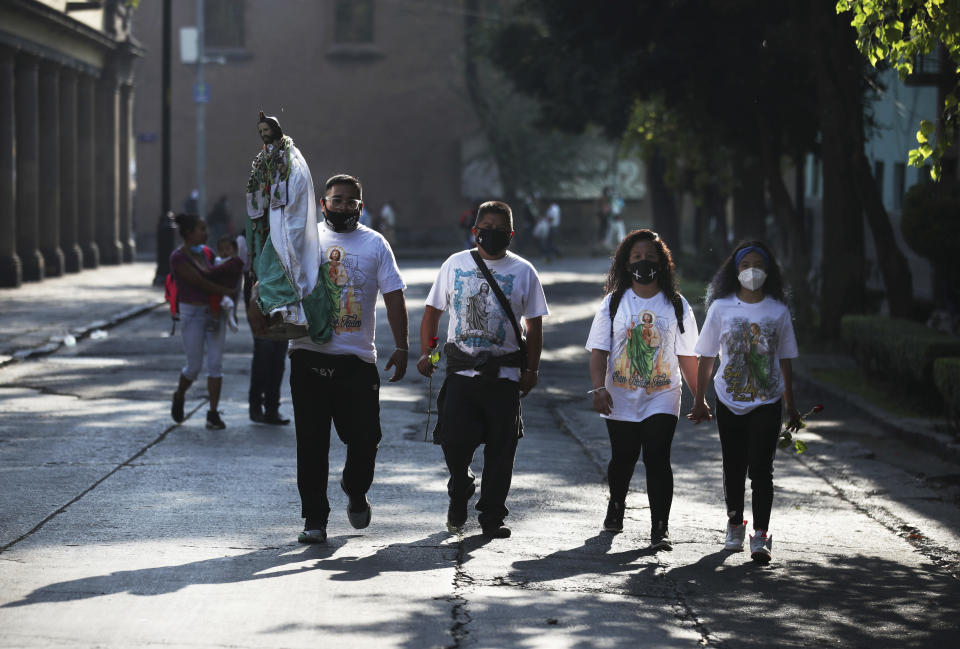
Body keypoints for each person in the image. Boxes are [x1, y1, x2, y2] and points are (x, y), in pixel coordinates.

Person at [249, 173, 408, 544]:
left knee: (365, 437)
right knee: (311, 441)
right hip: (307, 355)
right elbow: (273, 277)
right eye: (336, 200)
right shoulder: (304, 239)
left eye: (351, 201)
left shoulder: (376, 244)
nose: (343, 206)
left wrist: (401, 346)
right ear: (323, 204)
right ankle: (314, 519)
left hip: (357, 359)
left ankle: (355, 488)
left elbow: (395, 296)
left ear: (361, 206)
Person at [417, 201, 548, 539]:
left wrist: (531, 370)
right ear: (474, 231)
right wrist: (428, 350)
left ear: (511, 234)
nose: (492, 232)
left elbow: (534, 328)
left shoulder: (524, 272)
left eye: (499, 228)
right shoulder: (454, 264)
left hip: (504, 378)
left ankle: (492, 516)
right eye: (485, 226)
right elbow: (433, 312)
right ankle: (460, 485)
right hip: (461, 374)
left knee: (502, 452)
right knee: (453, 442)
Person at [688, 240, 802, 564]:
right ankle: (736, 525)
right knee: (733, 465)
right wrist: (699, 399)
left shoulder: (778, 311)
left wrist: (791, 405)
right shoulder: (721, 308)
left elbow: (786, 359)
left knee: (762, 469)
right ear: (735, 270)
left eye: (758, 265)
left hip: (767, 401)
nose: (752, 270)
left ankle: (762, 535)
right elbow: (706, 355)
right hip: (729, 398)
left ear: (769, 271)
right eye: (745, 265)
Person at [585, 229, 699, 550]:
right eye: (636, 257)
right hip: (619, 394)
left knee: (657, 456)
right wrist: (598, 388)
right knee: (623, 457)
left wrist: (700, 398)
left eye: (650, 257)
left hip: (663, 395)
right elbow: (598, 352)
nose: (644, 262)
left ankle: (659, 527)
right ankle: (617, 504)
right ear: (625, 264)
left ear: (662, 263)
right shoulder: (614, 303)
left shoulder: (676, 306)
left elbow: (688, 356)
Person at [244, 111, 330, 342]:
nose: (263, 135)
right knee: (271, 266)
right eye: (260, 131)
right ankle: (278, 313)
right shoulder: (265, 158)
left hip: (288, 219)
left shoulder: (291, 160)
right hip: (273, 220)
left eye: (267, 130)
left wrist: (284, 220)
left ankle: (294, 313)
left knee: (288, 260)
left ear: (276, 130)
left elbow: (295, 192)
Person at [169, 213, 237, 430]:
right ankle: (180, 394)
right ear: (189, 233)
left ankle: (213, 413)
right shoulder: (178, 257)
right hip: (193, 314)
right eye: (202, 229)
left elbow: (221, 272)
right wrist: (227, 290)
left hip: (215, 312)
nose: (206, 233)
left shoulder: (207, 253)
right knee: (194, 366)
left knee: (216, 364)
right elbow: (200, 282)